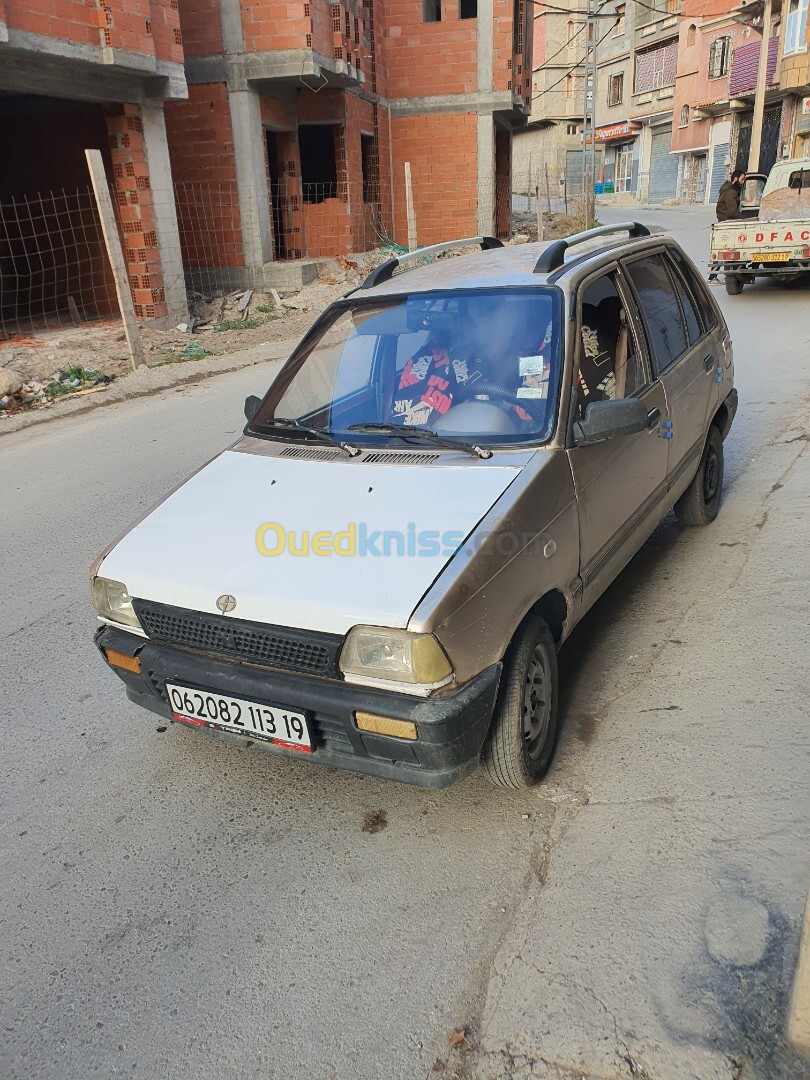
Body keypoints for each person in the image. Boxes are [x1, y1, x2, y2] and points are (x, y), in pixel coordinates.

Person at [708, 169, 746, 283]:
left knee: (725, 249)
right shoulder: (731, 192)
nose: (743, 182)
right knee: (725, 250)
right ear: (735, 178)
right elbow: (732, 212)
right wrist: (745, 218)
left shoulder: (728, 189)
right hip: (727, 223)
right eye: (742, 179)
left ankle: (716, 276)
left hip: (724, 221)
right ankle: (713, 277)